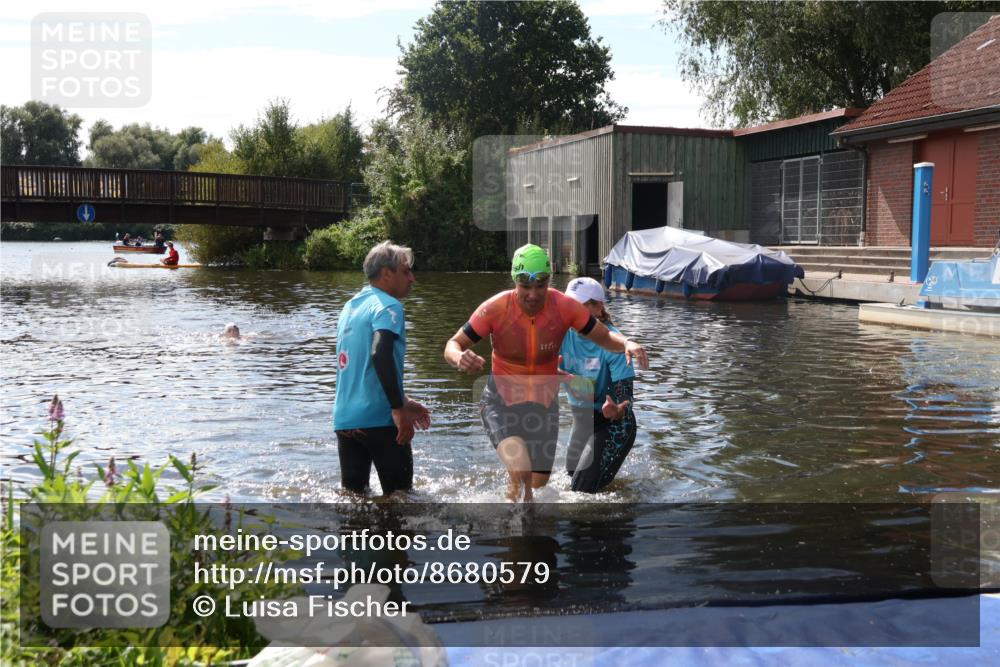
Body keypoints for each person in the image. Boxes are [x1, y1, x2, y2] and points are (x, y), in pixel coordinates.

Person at [444, 244, 649, 502]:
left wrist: (627, 343)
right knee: (519, 469)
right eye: (524, 286)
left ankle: (524, 524)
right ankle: (513, 525)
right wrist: (459, 357)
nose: (532, 294)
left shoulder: (564, 308)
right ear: (514, 281)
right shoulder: (495, 308)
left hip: (543, 406)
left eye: (540, 285)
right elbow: (452, 344)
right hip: (501, 402)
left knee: (539, 487)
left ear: (548, 281)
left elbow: (605, 337)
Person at [333, 241, 431, 495]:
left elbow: (360, 368)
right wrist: (398, 409)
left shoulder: (350, 307)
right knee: (401, 500)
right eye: (406, 271)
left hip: (345, 421)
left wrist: (404, 400)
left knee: (354, 503)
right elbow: (380, 354)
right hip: (380, 419)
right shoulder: (388, 306)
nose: (412, 278)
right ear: (387, 274)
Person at [559, 277, 637, 493]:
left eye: (577, 306)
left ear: (598, 307)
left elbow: (626, 401)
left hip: (613, 425)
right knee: (570, 481)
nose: (569, 312)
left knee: (580, 493)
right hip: (582, 423)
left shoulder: (615, 344)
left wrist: (617, 410)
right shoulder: (561, 335)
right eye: (567, 305)